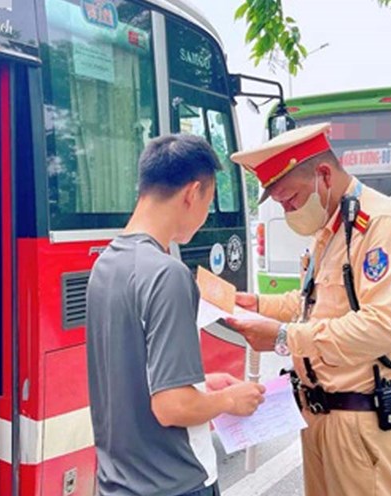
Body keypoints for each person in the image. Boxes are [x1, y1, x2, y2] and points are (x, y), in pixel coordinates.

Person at [227, 124, 391, 496]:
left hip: (362, 423)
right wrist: (257, 305)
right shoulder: (332, 228)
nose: (288, 211)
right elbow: (314, 303)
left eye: (291, 199)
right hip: (321, 416)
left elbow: (385, 327)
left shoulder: (383, 226)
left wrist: (285, 337)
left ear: (323, 175)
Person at [86, 134, 266, 496]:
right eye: (209, 201)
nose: (204, 216)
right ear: (191, 193)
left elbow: (134, 376)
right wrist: (231, 400)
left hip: (117, 483)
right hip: (174, 484)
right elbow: (172, 406)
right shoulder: (168, 274)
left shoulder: (105, 264)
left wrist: (200, 384)